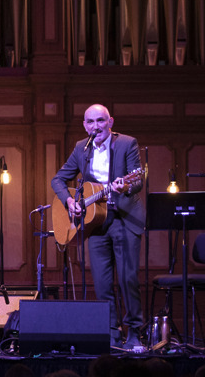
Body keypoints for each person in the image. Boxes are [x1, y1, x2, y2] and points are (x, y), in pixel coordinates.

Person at [51, 103, 145, 351]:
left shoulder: (127, 143)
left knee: (128, 278)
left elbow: (138, 181)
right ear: (85, 125)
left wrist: (124, 185)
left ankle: (135, 331)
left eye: (101, 121)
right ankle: (112, 333)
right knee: (102, 283)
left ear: (110, 121)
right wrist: (70, 200)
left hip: (124, 218)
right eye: (91, 122)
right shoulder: (82, 148)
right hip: (97, 222)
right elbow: (58, 179)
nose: (96, 126)